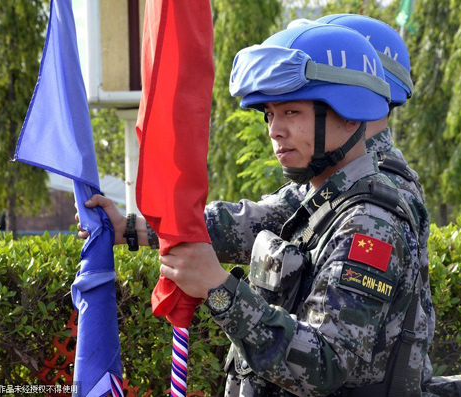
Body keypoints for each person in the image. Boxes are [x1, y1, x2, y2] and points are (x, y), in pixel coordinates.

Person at [80, 24, 428, 395]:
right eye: (269, 115)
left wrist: (218, 289)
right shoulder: (325, 195)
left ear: (351, 112)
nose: (274, 131)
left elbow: (326, 363)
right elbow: (249, 221)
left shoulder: (370, 220)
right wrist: (133, 228)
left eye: (291, 111)